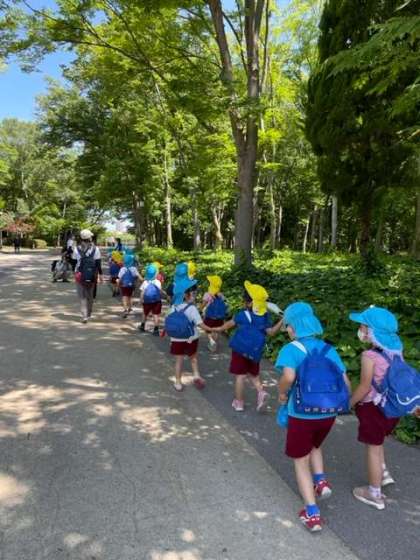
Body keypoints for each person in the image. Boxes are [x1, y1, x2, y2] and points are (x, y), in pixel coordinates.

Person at [276, 302, 351, 532]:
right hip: (328, 413)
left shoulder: (290, 349)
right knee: (315, 445)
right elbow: (346, 383)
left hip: (301, 413)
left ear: (292, 327)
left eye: (287, 326)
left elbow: (288, 377)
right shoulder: (329, 349)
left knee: (300, 460)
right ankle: (321, 481)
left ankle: (312, 513)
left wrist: (281, 393)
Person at [349, 306, 404, 511]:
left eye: (363, 326)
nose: (360, 329)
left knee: (372, 447)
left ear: (371, 330)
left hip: (373, 408)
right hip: (391, 407)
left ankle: (374, 493)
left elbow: (364, 387)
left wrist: (348, 403)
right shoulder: (396, 349)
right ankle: (383, 472)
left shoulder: (369, 356)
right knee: (379, 441)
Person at [214, 281, 283, 413]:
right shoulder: (265, 316)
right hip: (255, 351)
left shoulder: (242, 315)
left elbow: (228, 325)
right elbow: (271, 332)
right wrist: (282, 320)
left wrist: (216, 328)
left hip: (240, 349)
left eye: (245, 300)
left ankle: (239, 403)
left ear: (249, 303)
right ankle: (261, 392)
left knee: (240, 376)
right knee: (254, 374)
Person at [166, 277, 214, 392]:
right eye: (192, 293)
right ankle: (196, 375)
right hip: (191, 338)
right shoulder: (192, 308)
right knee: (193, 358)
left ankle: (178, 382)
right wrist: (212, 329)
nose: (194, 295)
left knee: (179, 361)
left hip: (176, 339)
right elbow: (200, 324)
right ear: (185, 295)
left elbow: (168, 321)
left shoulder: (173, 307)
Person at [73, 229, 103, 324]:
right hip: (92, 274)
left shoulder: (76, 249)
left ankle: (84, 316)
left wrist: (74, 272)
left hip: (79, 274)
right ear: (90, 238)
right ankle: (89, 313)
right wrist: (100, 275)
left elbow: (74, 263)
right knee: (90, 295)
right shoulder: (95, 249)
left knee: (82, 296)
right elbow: (98, 263)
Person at [201, 275, 227, 352]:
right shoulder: (221, 294)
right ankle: (214, 344)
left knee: (207, 329)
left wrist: (199, 309)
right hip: (220, 317)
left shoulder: (207, 294)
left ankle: (212, 342)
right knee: (216, 330)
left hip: (210, 316)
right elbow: (225, 304)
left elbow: (203, 304)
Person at [139, 264, 163, 336]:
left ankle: (142, 326)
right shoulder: (158, 282)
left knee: (145, 313)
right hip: (157, 301)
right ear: (156, 274)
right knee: (156, 314)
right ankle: (156, 329)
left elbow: (142, 292)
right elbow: (160, 291)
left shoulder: (145, 282)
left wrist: (141, 300)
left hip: (147, 301)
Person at [117, 254, 140, 318]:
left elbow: (119, 279)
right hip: (131, 285)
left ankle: (125, 310)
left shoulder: (122, 269)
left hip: (124, 285)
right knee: (130, 297)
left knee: (124, 297)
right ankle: (130, 308)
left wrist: (118, 285)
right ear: (131, 261)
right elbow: (139, 277)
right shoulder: (134, 269)